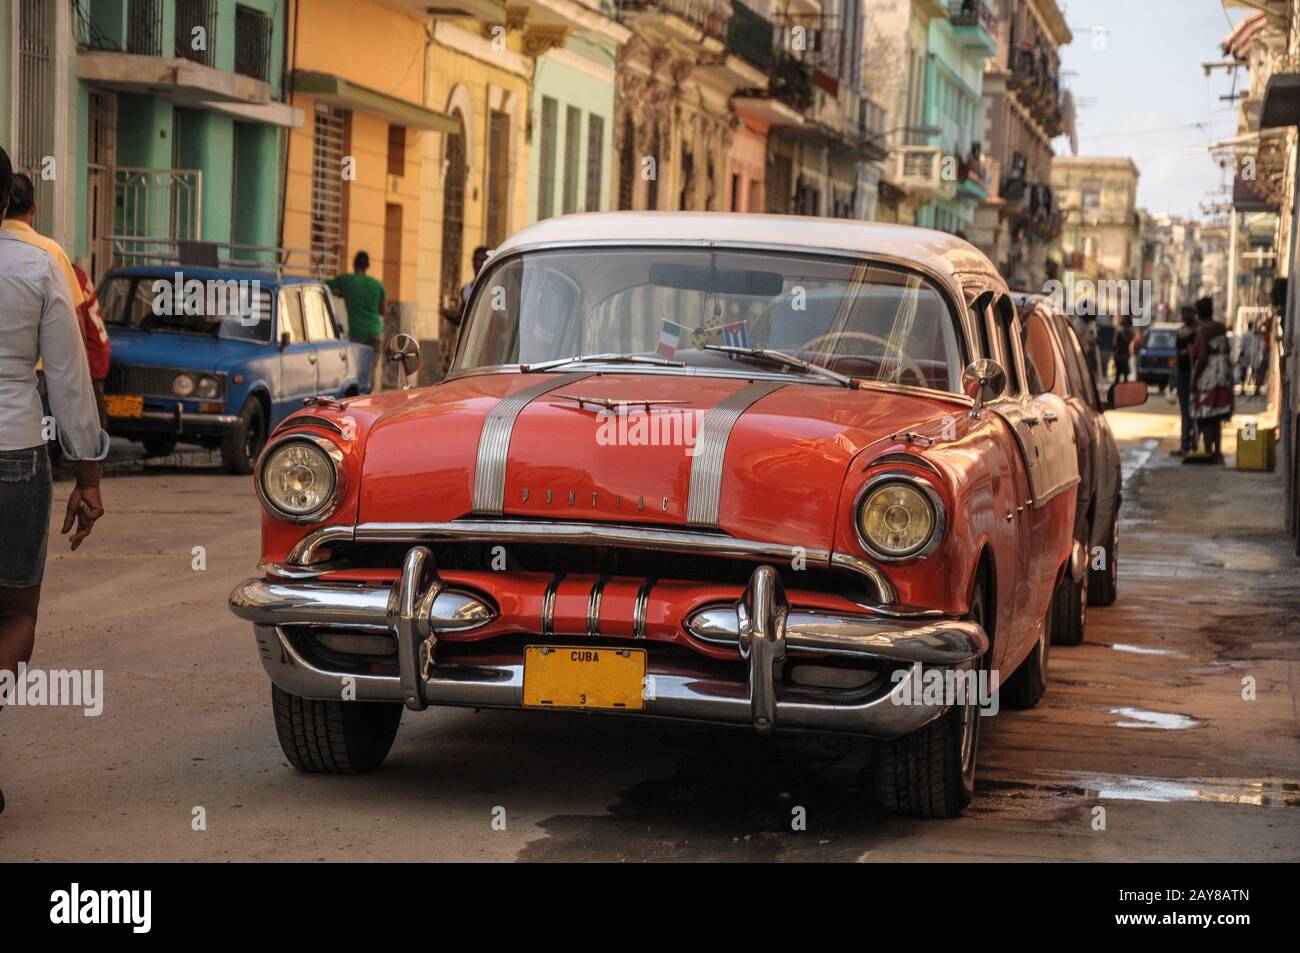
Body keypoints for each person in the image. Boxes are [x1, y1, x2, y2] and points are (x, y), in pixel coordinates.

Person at [0, 147, 109, 815]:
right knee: (14, 616)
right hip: (14, 451)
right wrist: (89, 477)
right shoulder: (40, 266)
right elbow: (69, 383)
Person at [327, 251, 386, 393]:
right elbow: (383, 311)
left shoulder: (346, 281)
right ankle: (369, 396)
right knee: (371, 370)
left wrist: (343, 294)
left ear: (354, 265)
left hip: (357, 334)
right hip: (375, 333)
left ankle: (358, 399)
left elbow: (326, 286)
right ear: (368, 266)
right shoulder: (378, 285)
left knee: (356, 371)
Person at [1189, 296, 1233, 463]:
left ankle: (1208, 451)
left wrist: (1195, 378)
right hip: (1223, 372)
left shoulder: (1202, 330)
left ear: (1198, 313)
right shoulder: (1221, 327)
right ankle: (1218, 452)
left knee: (1206, 415)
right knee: (1218, 415)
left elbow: (1203, 356)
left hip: (1208, 375)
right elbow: (1227, 349)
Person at [1172, 305, 1197, 457]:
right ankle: (1184, 445)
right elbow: (1176, 354)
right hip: (1181, 373)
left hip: (1195, 374)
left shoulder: (1198, 331)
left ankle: (1192, 444)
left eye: (1189, 312)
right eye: (1184, 312)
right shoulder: (1180, 331)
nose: (1185, 315)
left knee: (1193, 411)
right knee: (1185, 411)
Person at [1113, 315, 1135, 383]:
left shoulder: (1129, 329)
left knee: (1125, 374)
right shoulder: (1119, 329)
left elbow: (1130, 340)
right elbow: (1115, 342)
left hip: (1125, 353)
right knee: (1118, 374)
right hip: (1119, 353)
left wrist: (1123, 335)